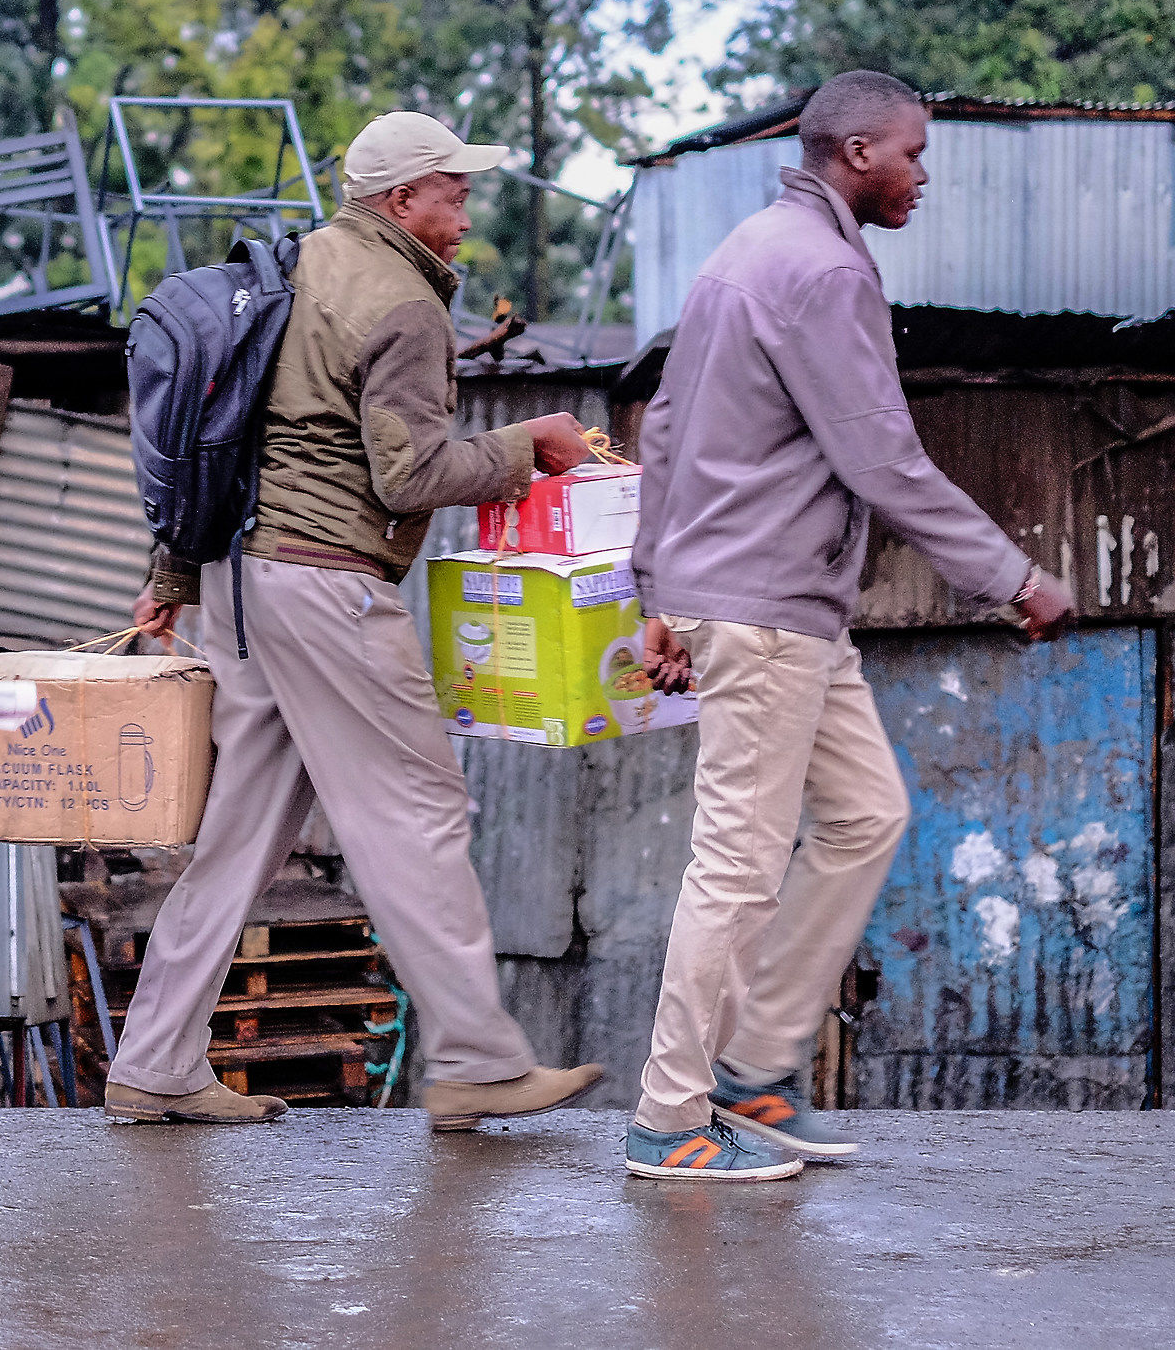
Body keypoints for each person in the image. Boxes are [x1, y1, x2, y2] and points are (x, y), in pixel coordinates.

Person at [623, 70, 1075, 1182]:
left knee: (868, 814)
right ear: (860, 150)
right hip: (768, 609)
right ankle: (668, 1119)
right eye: (915, 154)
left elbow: (668, 423)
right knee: (736, 869)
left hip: (783, 607)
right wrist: (1011, 577)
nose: (925, 175)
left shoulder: (748, 250)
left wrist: (658, 592)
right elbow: (881, 459)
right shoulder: (821, 267)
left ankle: (751, 1071)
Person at [118, 110, 604, 1131]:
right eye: (453, 193)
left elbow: (230, 435)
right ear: (401, 200)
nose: (466, 213)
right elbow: (413, 472)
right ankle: (476, 1056)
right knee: (419, 809)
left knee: (241, 833)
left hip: (243, 585)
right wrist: (529, 442)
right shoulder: (400, 300)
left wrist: (174, 572)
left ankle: (156, 1058)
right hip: (329, 588)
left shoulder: (295, 267)